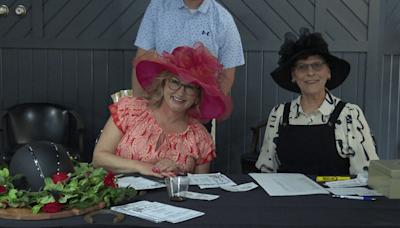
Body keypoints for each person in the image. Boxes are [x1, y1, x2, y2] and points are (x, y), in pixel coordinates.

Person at [93, 42, 233, 178]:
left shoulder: (200, 137)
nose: (180, 92)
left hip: (172, 201)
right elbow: (98, 160)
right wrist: (141, 167)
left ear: (197, 96)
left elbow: (201, 190)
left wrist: (177, 173)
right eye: (174, 82)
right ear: (163, 83)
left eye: (190, 87)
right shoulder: (129, 110)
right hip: (123, 199)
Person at [255, 28, 379, 175]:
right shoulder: (279, 114)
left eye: (317, 65)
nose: (310, 73)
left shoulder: (349, 114)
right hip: (287, 197)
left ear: (328, 72)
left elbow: (367, 175)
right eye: (302, 67)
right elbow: (267, 171)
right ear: (293, 76)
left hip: (334, 197)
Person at [132, 0, 244, 110]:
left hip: (196, 108)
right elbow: (141, 59)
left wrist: (205, 111)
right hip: (158, 105)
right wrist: (139, 106)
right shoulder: (158, 6)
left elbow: (227, 73)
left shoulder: (223, 19)